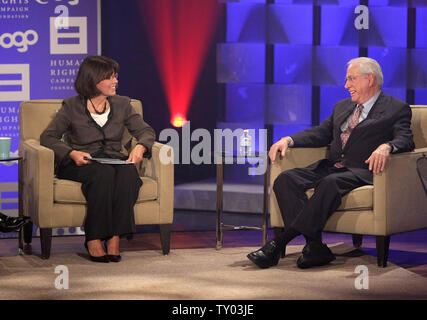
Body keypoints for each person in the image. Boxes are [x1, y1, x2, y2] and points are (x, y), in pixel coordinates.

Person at [247, 57, 415, 269]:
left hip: (363, 170)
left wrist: (387, 147)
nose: (346, 85)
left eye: (351, 79)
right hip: (332, 166)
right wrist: (288, 140)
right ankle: (315, 247)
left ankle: (276, 244)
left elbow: (406, 139)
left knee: (330, 183)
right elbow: (320, 133)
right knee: (286, 179)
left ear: (370, 79)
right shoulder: (343, 107)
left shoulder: (396, 109)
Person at [40, 55, 155, 263]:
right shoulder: (72, 106)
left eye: (116, 77)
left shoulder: (123, 104)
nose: (115, 81)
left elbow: (146, 131)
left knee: (128, 174)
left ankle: (114, 238)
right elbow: (48, 137)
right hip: (80, 163)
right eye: (110, 77)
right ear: (93, 80)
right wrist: (71, 153)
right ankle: (93, 238)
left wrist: (140, 146)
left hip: (113, 160)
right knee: (102, 174)